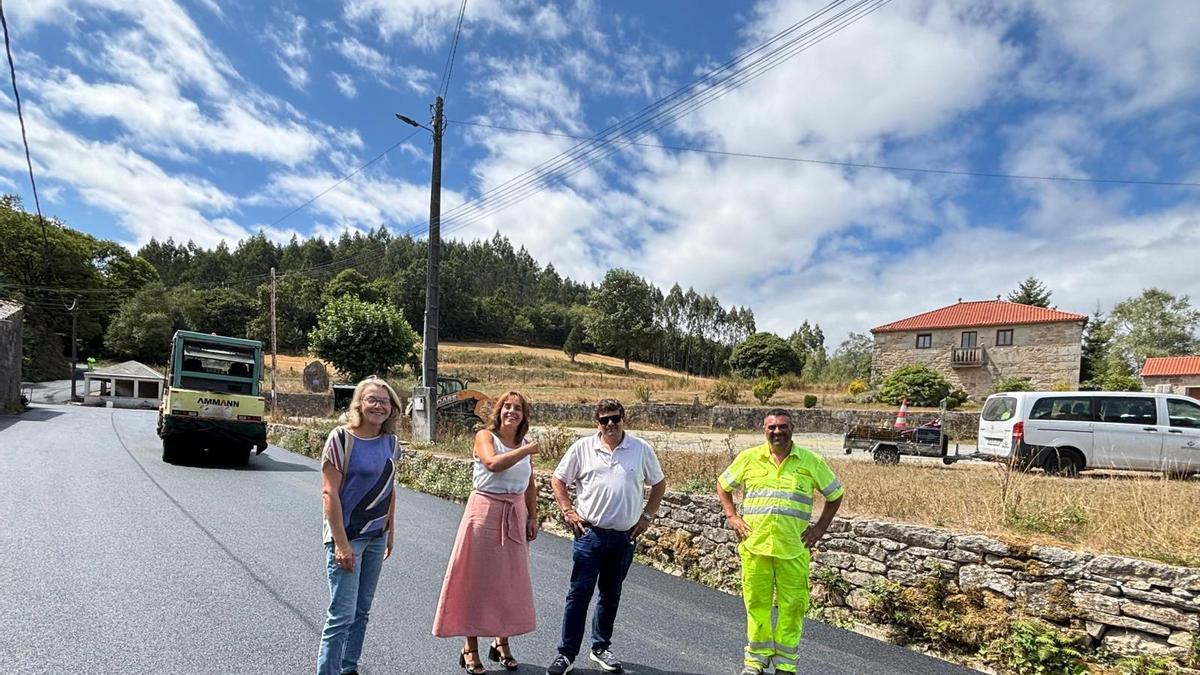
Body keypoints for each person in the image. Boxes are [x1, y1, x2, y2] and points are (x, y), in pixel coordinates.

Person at [717, 408, 844, 675]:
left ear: (792, 429)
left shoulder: (810, 462)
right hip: (755, 546)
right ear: (764, 430)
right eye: (772, 427)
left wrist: (820, 528)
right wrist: (732, 515)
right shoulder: (749, 458)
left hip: (793, 549)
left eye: (782, 427)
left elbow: (835, 494)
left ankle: (785, 665)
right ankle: (755, 661)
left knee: (793, 607)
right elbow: (723, 484)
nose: (777, 432)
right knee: (756, 605)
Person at [545, 399, 667, 675]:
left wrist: (647, 517)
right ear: (596, 423)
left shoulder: (640, 449)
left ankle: (600, 649)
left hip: (624, 537)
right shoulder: (582, 448)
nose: (610, 424)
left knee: (610, 595)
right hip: (590, 534)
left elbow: (658, 483)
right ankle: (566, 654)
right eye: (604, 420)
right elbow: (558, 479)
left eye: (615, 418)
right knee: (579, 594)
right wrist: (568, 510)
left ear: (624, 418)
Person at [433, 391, 541, 674]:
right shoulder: (485, 437)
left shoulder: (523, 443)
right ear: (498, 410)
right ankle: (470, 647)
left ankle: (501, 643)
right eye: (507, 406)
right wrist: (525, 451)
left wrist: (532, 516)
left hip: (515, 513)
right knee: (476, 580)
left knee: (507, 582)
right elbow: (492, 464)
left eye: (518, 408)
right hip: (484, 512)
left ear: (523, 415)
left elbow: (530, 483)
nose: (512, 411)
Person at [317, 377, 403, 675]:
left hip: (376, 536)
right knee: (342, 615)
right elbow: (329, 493)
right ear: (359, 403)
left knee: (362, 613)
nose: (379, 406)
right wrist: (341, 543)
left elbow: (390, 488)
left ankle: (348, 667)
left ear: (392, 407)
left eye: (384, 401)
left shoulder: (391, 443)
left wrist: (390, 530)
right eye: (372, 400)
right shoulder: (341, 439)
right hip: (348, 538)